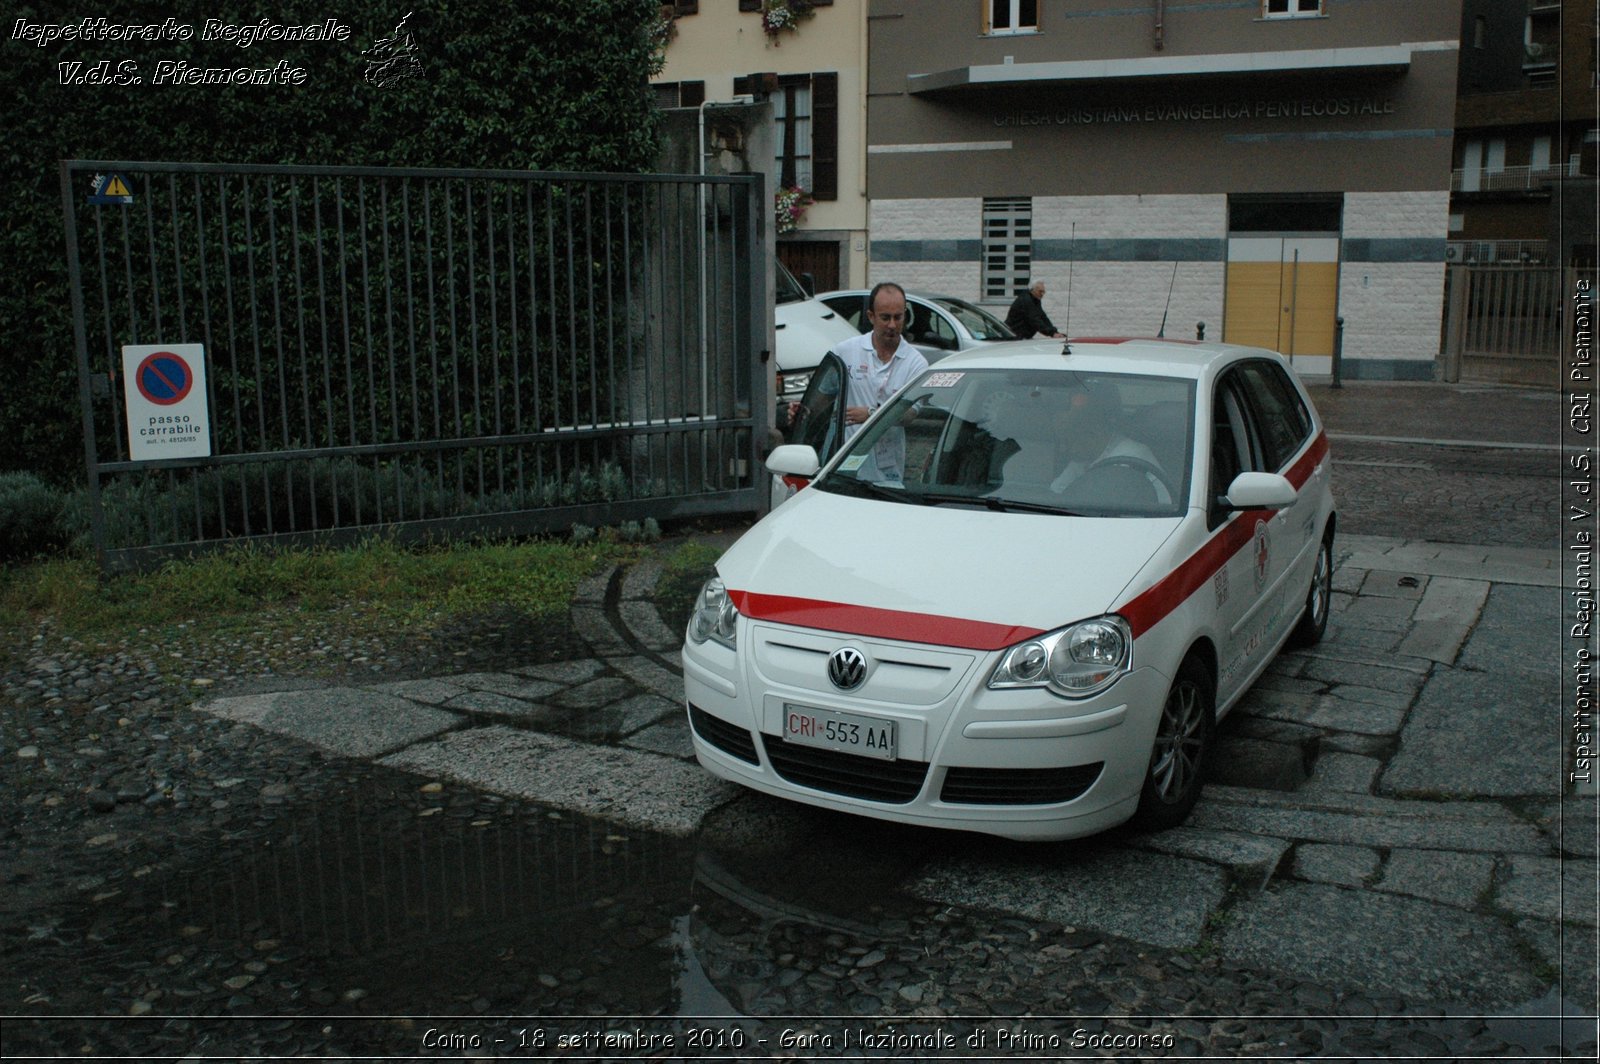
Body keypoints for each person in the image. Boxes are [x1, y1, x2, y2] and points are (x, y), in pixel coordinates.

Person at [1047, 391, 1171, 505]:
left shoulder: (1131, 457)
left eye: (1069, 442)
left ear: (1093, 432)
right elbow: (1056, 496)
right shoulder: (1084, 458)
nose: (1065, 450)